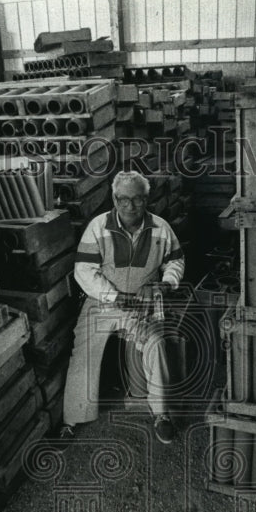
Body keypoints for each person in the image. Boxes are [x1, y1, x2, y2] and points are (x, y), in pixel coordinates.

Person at [59, 171, 185, 445]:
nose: (130, 206)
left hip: (142, 302)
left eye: (137, 199)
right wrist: (113, 296)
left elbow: (176, 261)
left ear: (146, 199)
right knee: (84, 349)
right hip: (102, 301)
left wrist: (164, 285)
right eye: (123, 199)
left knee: (157, 342)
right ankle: (71, 419)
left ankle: (161, 414)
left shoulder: (161, 227)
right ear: (114, 199)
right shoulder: (98, 226)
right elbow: (84, 271)